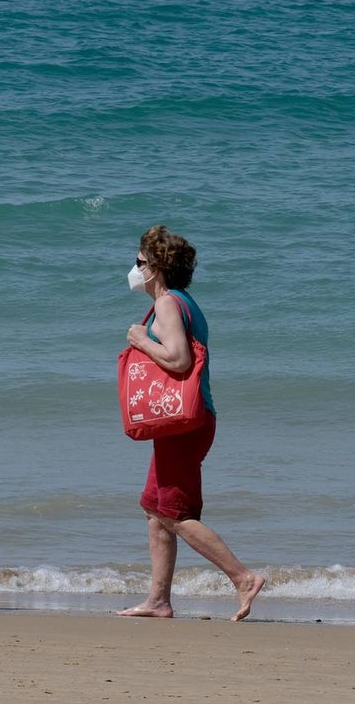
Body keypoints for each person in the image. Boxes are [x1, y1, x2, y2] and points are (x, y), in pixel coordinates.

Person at [117, 225, 266, 622]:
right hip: (187, 421)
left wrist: (140, 340)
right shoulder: (184, 302)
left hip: (184, 423)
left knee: (175, 514)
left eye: (140, 262)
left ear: (157, 268)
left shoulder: (168, 304)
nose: (135, 268)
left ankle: (243, 578)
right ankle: (159, 600)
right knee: (154, 508)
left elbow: (180, 360)